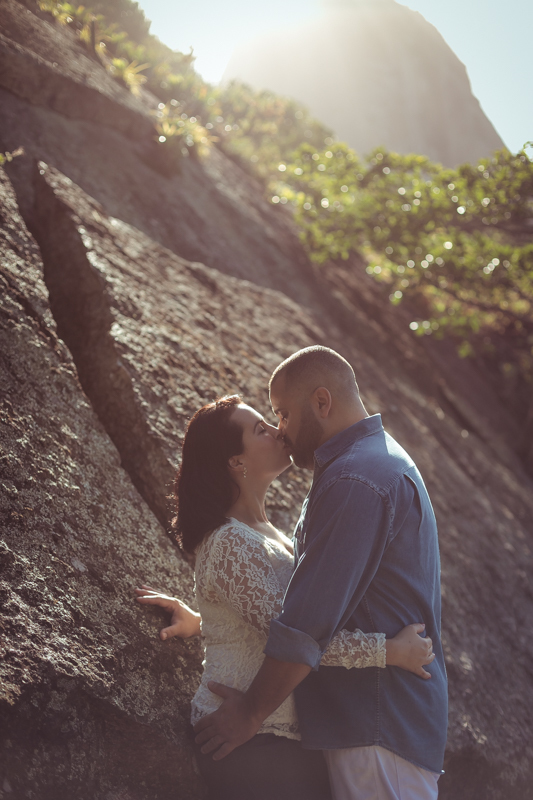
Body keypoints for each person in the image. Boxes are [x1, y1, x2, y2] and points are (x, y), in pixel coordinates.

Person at [136, 393, 436, 800]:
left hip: (284, 737)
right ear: (235, 462)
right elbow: (297, 637)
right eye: (261, 429)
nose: (277, 431)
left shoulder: (273, 534)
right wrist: (391, 651)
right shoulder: (229, 543)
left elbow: (264, 617)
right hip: (246, 740)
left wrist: (205, 620)